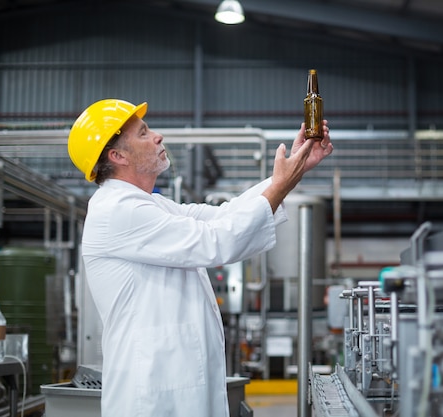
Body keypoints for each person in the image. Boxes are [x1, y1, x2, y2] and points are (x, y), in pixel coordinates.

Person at [67, 98, 333, 417]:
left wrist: (295, 167)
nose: (157, 137)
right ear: (117, 155)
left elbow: (222, 216)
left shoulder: (152, 206)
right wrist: (281, 184)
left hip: (174, 387)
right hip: (151, 396)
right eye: (143, 133)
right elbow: (215, 241)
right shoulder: (117, 211)